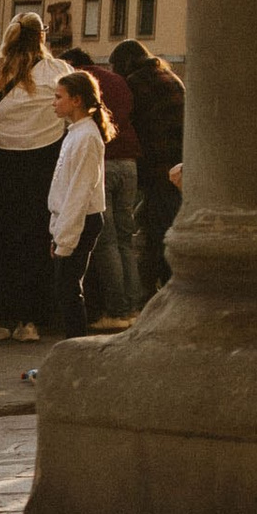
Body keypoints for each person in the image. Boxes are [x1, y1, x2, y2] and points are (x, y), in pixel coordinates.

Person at [0, 13, 68, 340]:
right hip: (44, 160)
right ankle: (29, 321)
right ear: (42, 37)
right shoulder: (59, 71)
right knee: (36, 240)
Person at [63, 46, 140, 328]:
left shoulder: (79, 82)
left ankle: (116, 311)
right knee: (125, 239)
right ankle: (133, 307)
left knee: (105, 243)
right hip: (129, 162)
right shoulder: (118, 80)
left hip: (105, 161)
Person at [108, 40, 183, 292]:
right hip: (179, 166)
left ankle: (158, 292)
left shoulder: (136, 83)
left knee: (157, 231)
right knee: (163, 225)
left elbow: (127, 125)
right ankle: (155, 289)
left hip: (157, 166)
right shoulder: (169, 76)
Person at [45, 66, 111, 340]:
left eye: (59, 97)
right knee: (67, 289)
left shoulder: (85, 137)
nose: (54, 102)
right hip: (72, 221)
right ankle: (74, 347)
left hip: (80, 221)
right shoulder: (78, 133)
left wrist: (65, 239)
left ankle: (76, 347)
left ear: (77, 100)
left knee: (69, 289)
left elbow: (78, 193)